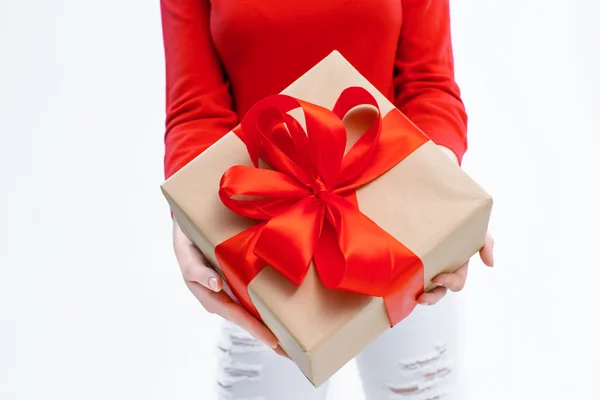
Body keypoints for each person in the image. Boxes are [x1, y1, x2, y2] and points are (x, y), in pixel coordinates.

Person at [160, 0, 494, 398]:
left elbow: (428, 84)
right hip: (265, 241)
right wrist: (189, 217)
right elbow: (196, 109)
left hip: (397, 231)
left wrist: (445, 199)